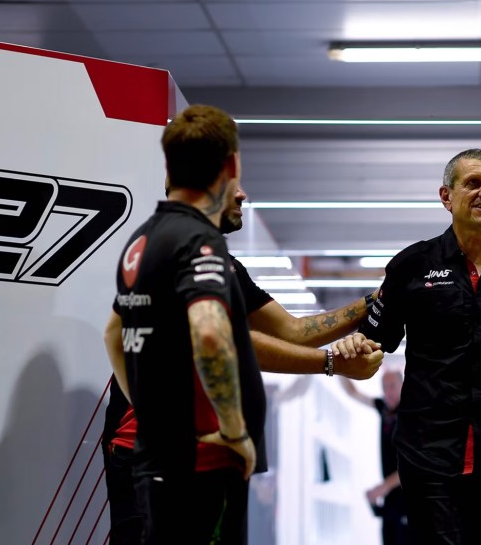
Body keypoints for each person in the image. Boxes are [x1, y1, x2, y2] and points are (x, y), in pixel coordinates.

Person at [103, 179, 383, 543]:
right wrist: (331, 362)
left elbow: (294, 331)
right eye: (227, 184)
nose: (241, 194)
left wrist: (376, 300)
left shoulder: (220, 262)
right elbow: (225, 341)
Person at [336, 148, 481, 544]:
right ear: (446, 197)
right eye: (473, 183)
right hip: (427, 455)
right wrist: (353, 346)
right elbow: (375, 344)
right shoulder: (411, 265)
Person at [341, 369, 410, 545]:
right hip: (390, 502)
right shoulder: (384, 409)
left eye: (392, 386)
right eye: (384, 387)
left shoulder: (411, 415)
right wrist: (336, 366)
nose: (387, 392)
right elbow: (352, 392)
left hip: (408, 501)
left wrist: (384, 487)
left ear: (403, 386)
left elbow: (412, 466)